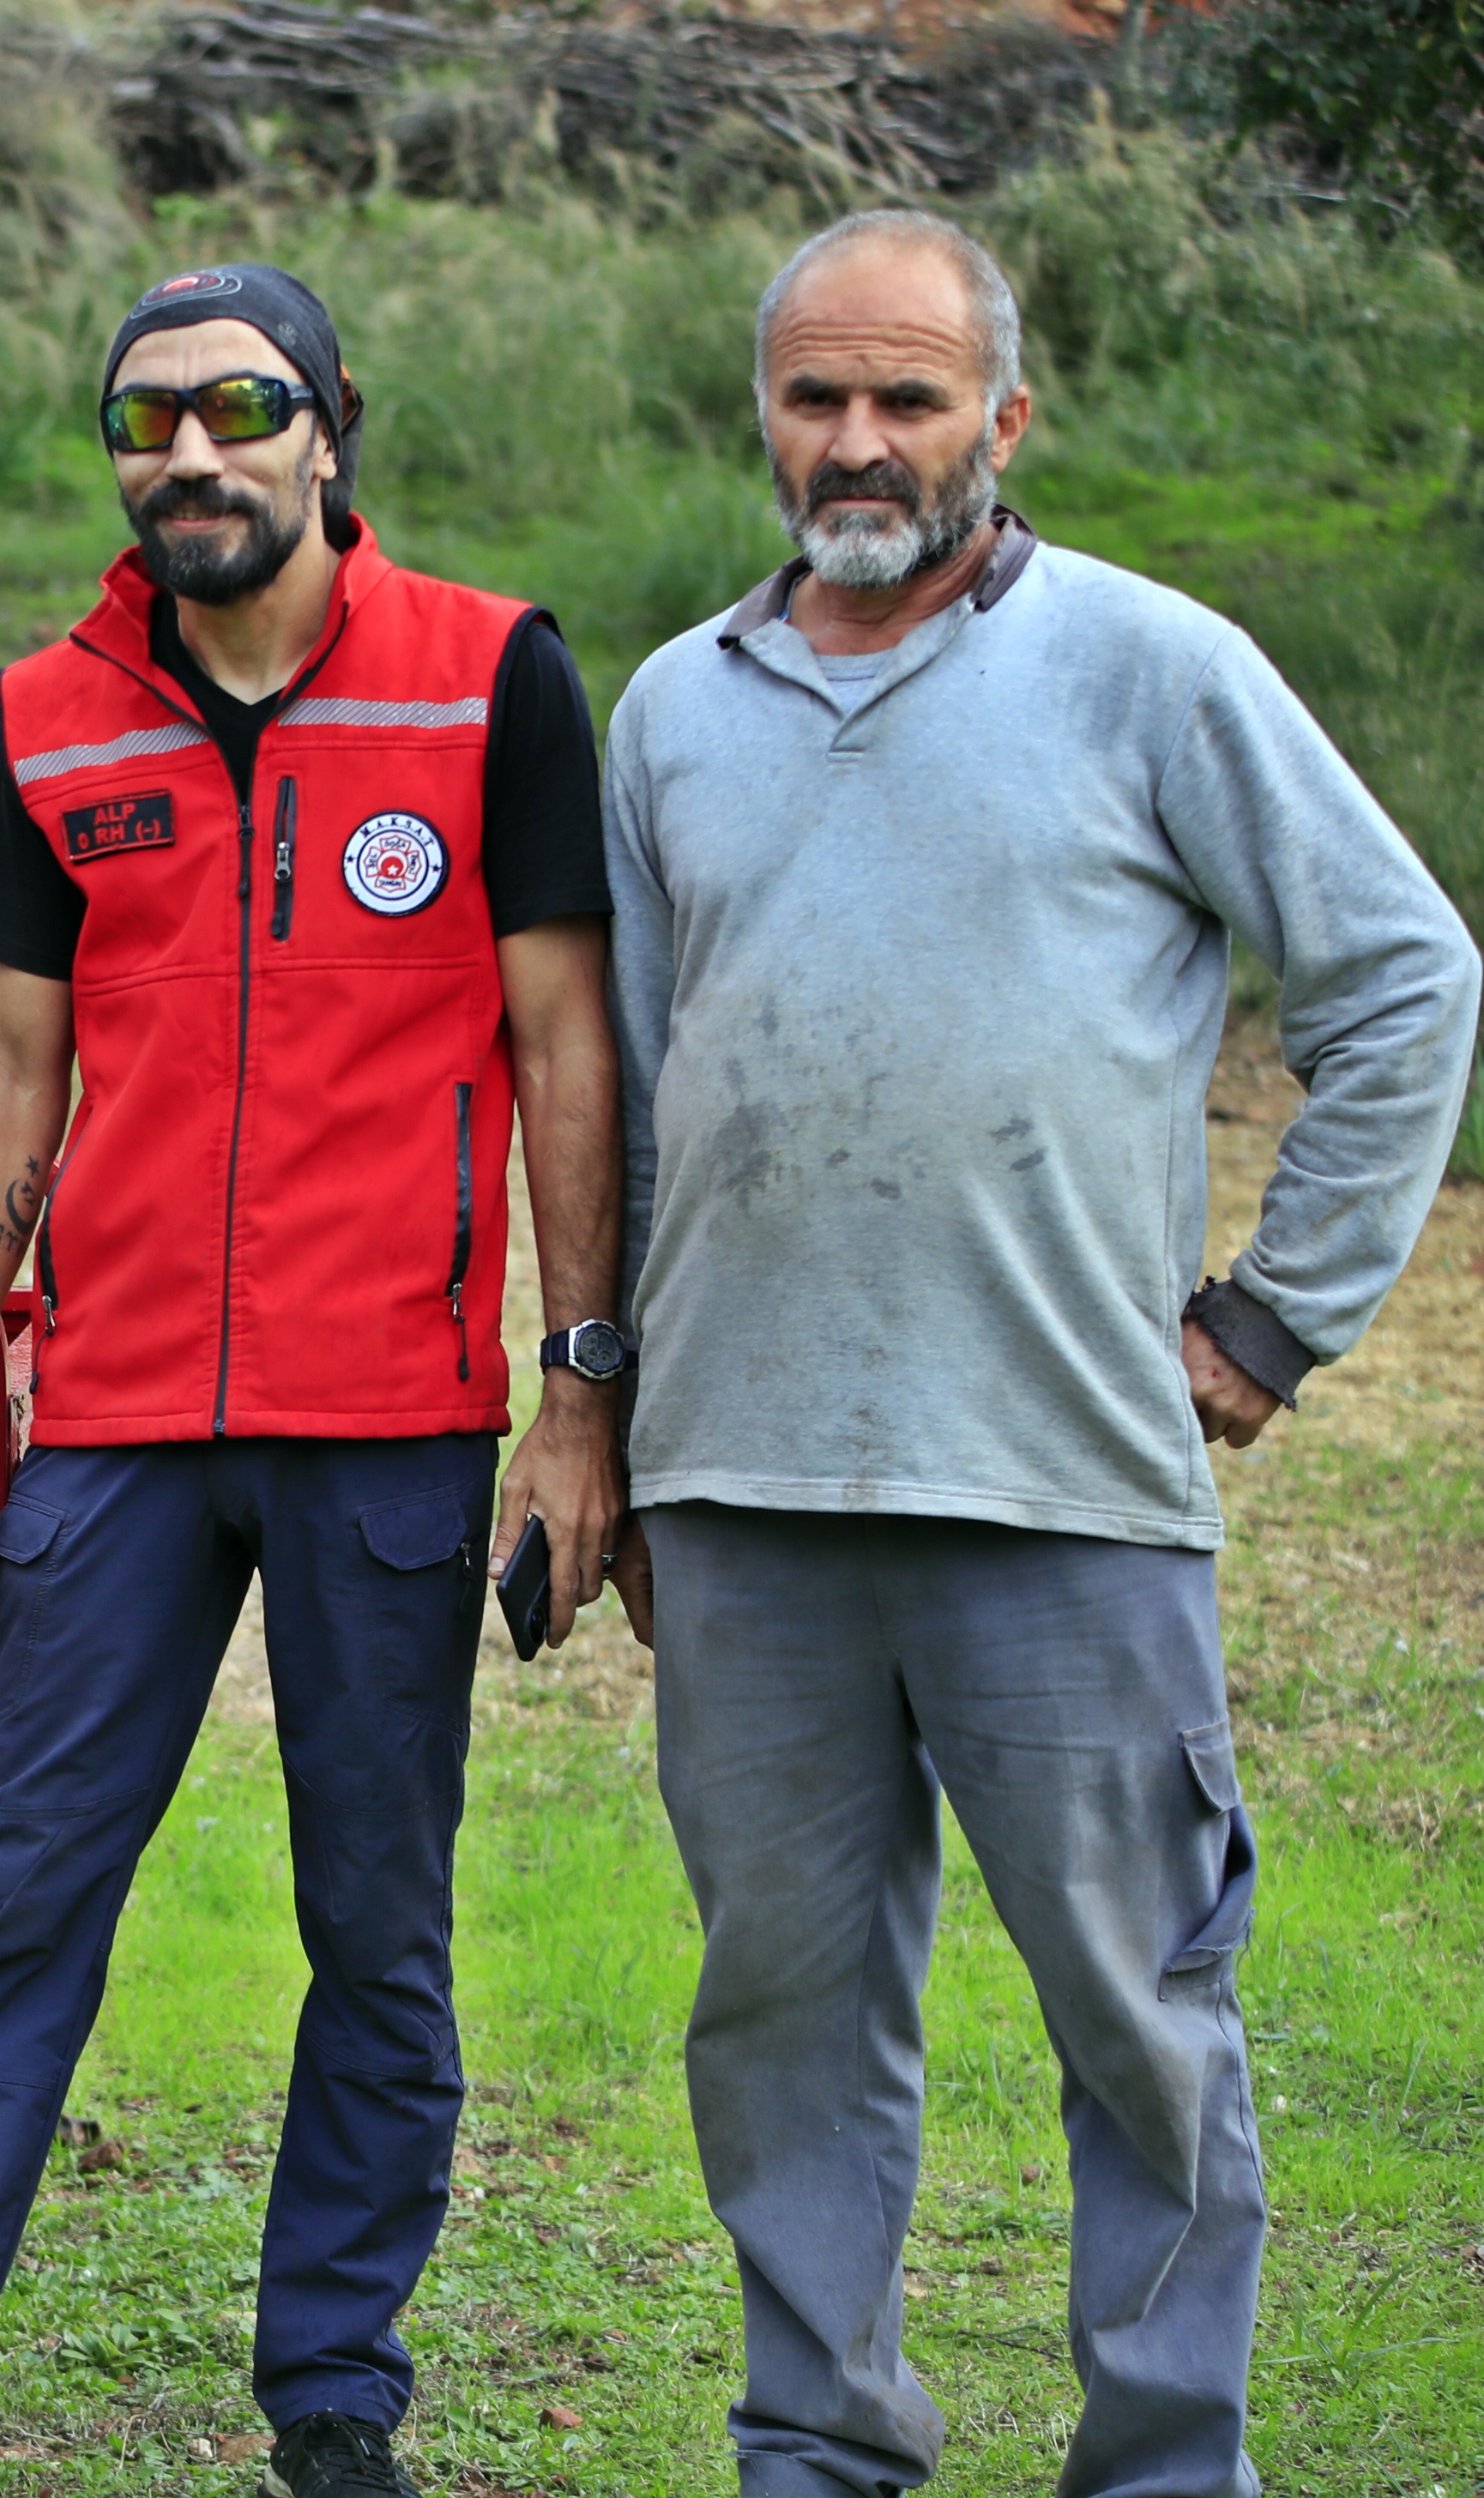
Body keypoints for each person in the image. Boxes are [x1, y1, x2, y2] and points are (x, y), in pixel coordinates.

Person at [0, 263, 627, 2498]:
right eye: (143, 419)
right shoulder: (57, 711)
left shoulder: (490, 674)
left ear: (331, 426)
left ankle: (336, 2399)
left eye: (238, 406)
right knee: (15, 1905)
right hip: (112, 1418)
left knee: (375, 1929)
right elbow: (11, 1068)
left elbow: (569, 1043)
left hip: (388, 1414)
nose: (190, 452)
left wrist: (579, 1394)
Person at [603, 211, 1481, 2497]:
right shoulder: (674, 706)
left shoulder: (1153, 665)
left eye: (909, 397)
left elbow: (1405, 976)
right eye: (817, 395)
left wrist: (1275, 1315)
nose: (859, 440)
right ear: (763, 413)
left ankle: (1169, 2465)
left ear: (1007, 416)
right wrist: (608, 1411)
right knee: (782, 2023)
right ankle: (817, 2445)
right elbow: (628, 1092)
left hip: (1064, 1480)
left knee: (1140, 2023)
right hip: (747, 1491)